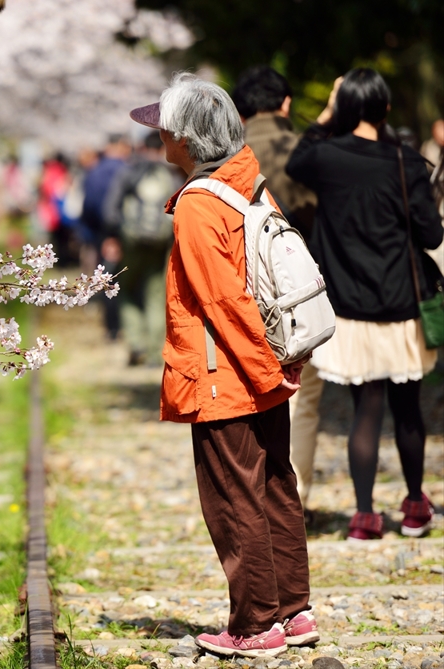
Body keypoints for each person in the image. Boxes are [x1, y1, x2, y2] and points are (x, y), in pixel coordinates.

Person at [130, 72, 315, 659]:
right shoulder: (250, 184)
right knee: (275, 485)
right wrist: (281, 368)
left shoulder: (197, 205)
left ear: (186, 137)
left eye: (165, 128)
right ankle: (294, 611)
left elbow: (223, 301)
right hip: (265, 366)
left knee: (233, 498)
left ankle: (256, 625)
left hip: (225, 374)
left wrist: (263, 371)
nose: (159, 137)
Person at [286, 69, 443, 540]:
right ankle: (415, 506)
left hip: (349, 307)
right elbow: (433, 234)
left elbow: (297, 162)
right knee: (409, 409)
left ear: (345, 108)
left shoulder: (326, 158)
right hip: (401, 304)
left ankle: (363, 515)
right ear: (387, 109)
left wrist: (328, 113)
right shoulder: (406, 161)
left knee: (366, 409)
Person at [231, 66, 323, 520]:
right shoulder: (302, 149)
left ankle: (256, 494)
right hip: (297, 285)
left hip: (243, 287)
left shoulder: (231, 153)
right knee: (302, 394)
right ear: (286, 104)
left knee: (252, 390)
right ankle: (293, 494)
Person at [102, 131, 177, 366]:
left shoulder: (130, 171)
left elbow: (110, 209)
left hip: (131, 241)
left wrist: (113, 236)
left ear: (142, 147)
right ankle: (156, 351)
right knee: (156, 293)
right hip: (160, 242)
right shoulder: (170, 175)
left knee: (128, 290)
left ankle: (136, 344)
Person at [80, 135, 131, 340]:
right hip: (129, 232)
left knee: (109, 278)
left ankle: (112, 327)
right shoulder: (129, 169)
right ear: (121, 146)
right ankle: (129, 325)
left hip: (103, 233)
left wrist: (91, 232)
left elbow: (88, 204)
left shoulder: (95, 172)